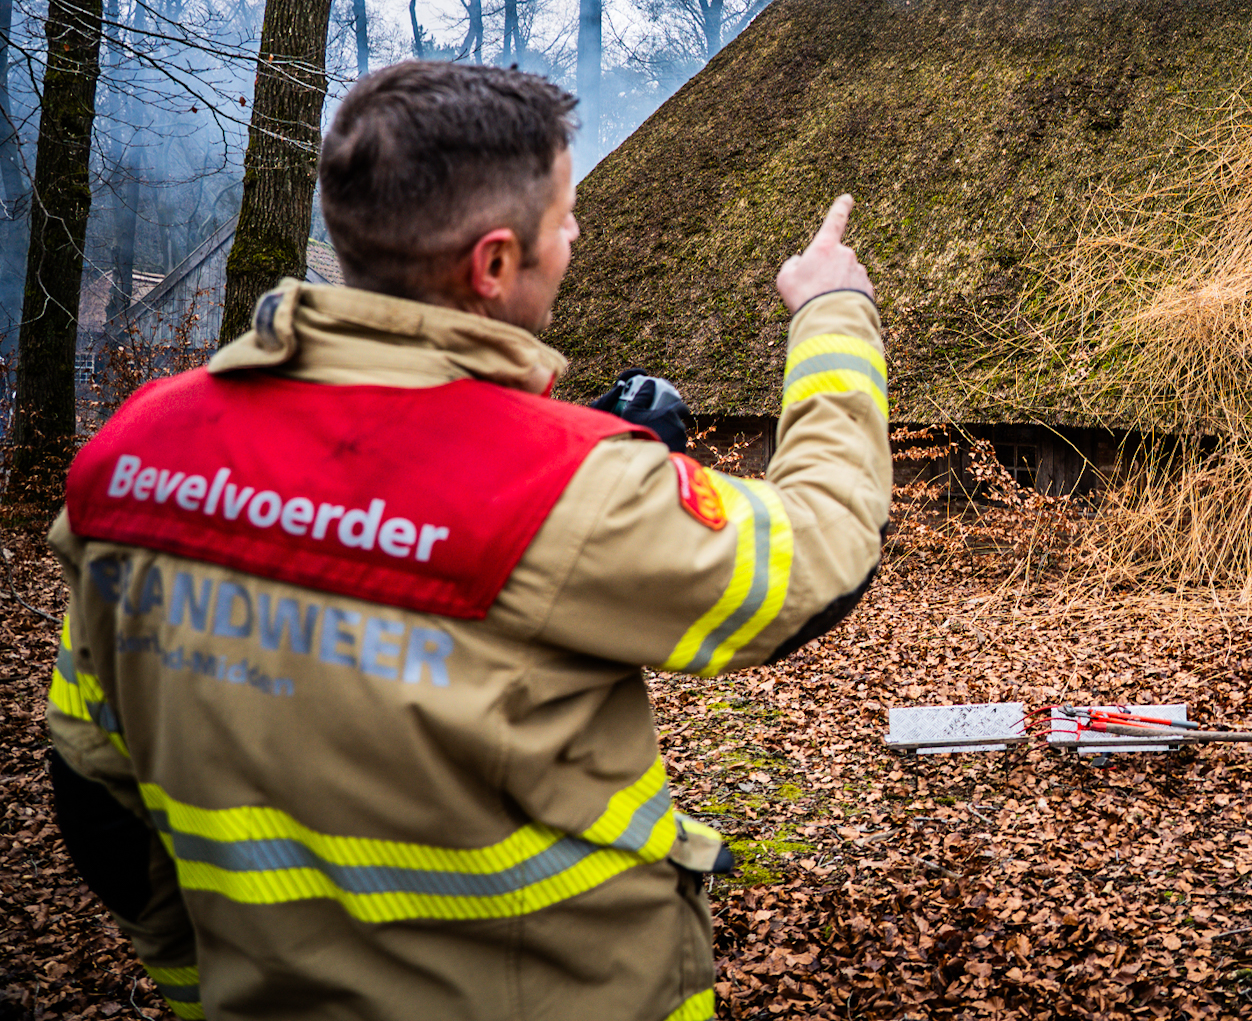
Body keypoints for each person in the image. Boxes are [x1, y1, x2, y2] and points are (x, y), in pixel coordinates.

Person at [44, 60, 892, 1021]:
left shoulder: (137, 456)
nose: (578, 235)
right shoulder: (561, 488)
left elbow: (94, 791)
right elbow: (822, 548)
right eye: (564, 217)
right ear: (492, 265)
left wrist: (205, 992)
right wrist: (832, 314)